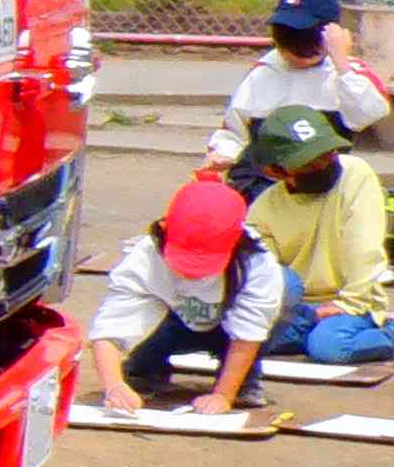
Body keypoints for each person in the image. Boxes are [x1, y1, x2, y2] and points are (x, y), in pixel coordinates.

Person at [85, 168, 286, 413]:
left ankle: (243, 379)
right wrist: (114, 386)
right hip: (172, 322)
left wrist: (223, 395)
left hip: (228, 328)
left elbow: (250, 331)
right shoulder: (145, 256)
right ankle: (145, 368)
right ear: (164, 230)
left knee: (289, 290)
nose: (193, 274)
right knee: (139, 357)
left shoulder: (257, 263)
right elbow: (110, 327)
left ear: (236, 241)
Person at [238, 106, 394, 363]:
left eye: (327, 154)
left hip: (354, 300)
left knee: (329, 347)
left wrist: (349, 304)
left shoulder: (355, 174)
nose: (323, 164)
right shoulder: (264, 209)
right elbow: (262, 273)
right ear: (275, 171)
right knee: (250, 340)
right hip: (298, 308)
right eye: (309, 162)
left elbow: (364, 249)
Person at [206, 0, 383, 167]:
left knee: (357, 170)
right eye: (285, 39)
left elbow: (368, 114)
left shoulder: (348, 73)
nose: (292, 50)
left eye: (304, 40)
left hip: (324, 173)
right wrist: (225, 154)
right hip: (266, 173)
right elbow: (234, 130)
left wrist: (342, 64)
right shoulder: (264, 72)